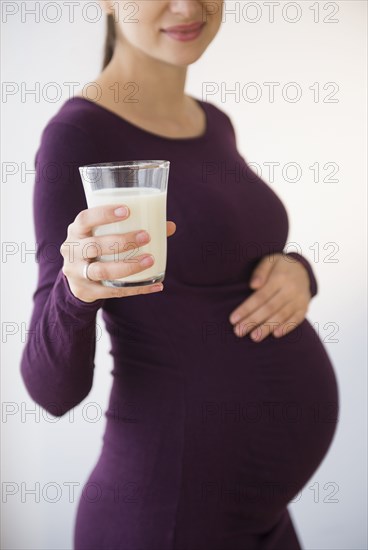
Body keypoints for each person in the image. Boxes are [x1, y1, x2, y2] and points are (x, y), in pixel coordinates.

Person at [20, 1, 339, 548]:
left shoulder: (214, 123)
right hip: (165, 518)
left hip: (258, 519)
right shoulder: (78, 135)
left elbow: (231, 261)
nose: (189, 6)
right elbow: (51, 389)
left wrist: (298, 273)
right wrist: (76, 292)